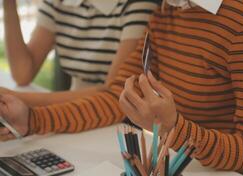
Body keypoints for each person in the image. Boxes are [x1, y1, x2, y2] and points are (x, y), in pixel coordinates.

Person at [0, 0, 243, 176]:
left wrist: (174, 127)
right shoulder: (169, 9)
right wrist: (33, 119)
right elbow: (116, 98)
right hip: (182, 175)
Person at [0, 0, 158, 106]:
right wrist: (8, 4)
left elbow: (111, 93)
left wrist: (18, 98)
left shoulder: (138, 5)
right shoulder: (58, 2)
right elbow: (22, 73)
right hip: (70, 109)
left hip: (113, 119)